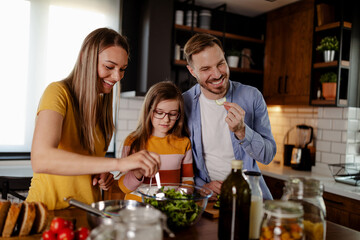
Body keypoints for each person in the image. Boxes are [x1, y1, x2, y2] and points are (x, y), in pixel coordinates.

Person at [26, 28, 161, 210]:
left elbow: (83, 164)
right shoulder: (57, 93)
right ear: (85, 58)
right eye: (109, 66)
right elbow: (41, 159)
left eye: (122, 70)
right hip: (48, 212)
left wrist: (101, 172)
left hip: (87, 213)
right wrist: (119, 163)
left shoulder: (102, 107)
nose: (117, 77)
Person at [182, 33, 276, 200]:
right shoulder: (184, 103)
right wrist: (200, 186)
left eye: (221, 64)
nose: (217, 74)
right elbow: (179, 159)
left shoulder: (252, 96)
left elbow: (267, 156)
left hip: (249, 198)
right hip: (208, 200)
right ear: (192, 71)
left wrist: (242, 131)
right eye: (206, 69)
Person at [118, 81, 194, 201]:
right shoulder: (133, 141)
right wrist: (138, 173)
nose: (166, 119)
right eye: (159, 112)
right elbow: (124, 187)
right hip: (138, 207)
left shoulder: (183, 143)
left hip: (169, 207)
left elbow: (188, 182)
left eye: (173, 114)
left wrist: (177, 197)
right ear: (148, 110)